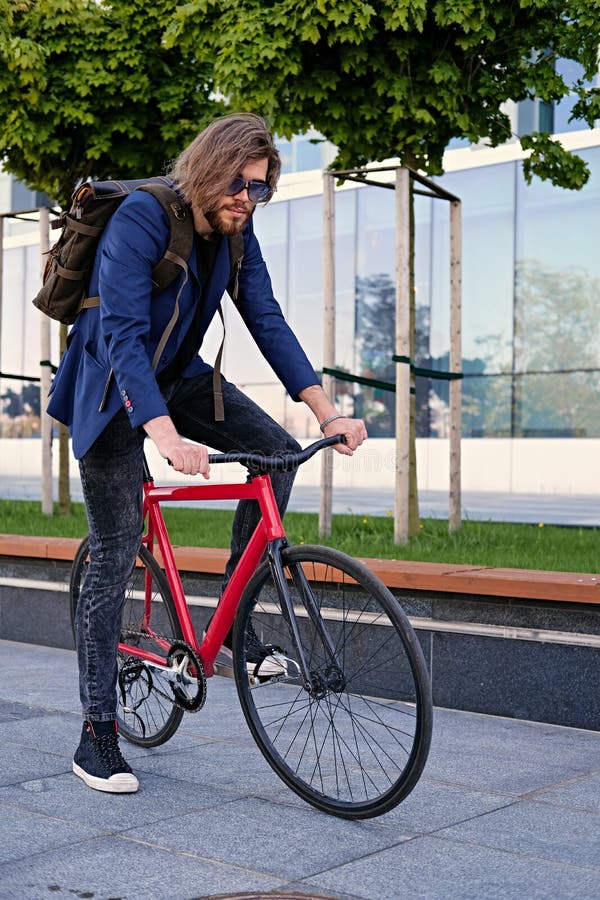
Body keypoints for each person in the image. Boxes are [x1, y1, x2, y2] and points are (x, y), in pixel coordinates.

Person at [47, 113, 367, 794]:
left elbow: (268, 321)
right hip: (109, 384)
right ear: (211, 167)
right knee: (116, 543)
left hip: (178, 377)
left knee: (278, 454)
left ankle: (229, 628)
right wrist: (161, 433)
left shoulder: (236, 237)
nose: (247, 201)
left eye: (261, 192)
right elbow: (123, 336)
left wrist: (328, 412)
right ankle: (97, 733)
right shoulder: (142, 218)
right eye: (240, 186)